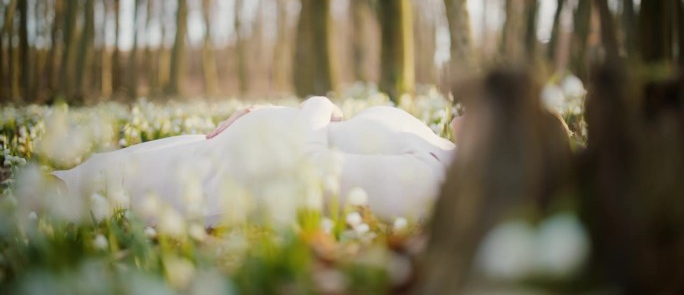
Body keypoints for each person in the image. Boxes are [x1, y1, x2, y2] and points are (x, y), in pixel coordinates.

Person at [51, 97, 456, 227]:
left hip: (226, 180)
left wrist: (317, 104)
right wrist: (267, 111)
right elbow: (342, 138)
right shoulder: (436, 143)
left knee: (67, 196)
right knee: (80, 181)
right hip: (222, 152)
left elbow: (311, 172)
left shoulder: (429, 179)